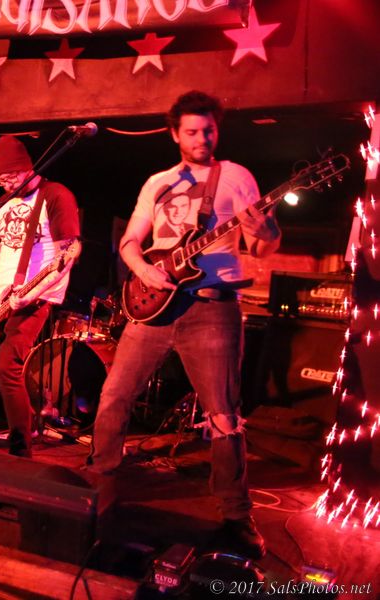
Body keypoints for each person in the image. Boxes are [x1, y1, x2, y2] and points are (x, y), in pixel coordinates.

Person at [86, 91, 281, 559]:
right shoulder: (157, 183)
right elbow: (131, 241)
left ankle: (236, 515)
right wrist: (142, 269)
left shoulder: (236, 177)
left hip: (213, 308)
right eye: (192, 131)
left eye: (208, 130)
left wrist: (266, 232)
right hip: (154, 307)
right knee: (114, 395)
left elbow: (261, 246)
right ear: (175, 134)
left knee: (224, 415)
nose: (201, 139)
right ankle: (97, 493)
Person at [0, 135, 82, 458]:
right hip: (3, 299)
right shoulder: (3, 204)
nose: (6, 184)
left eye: (10, 176)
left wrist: (30, 295)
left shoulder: (55, 195)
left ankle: (20, 447)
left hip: (36, 296)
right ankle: (23, 427)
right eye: (0, 180)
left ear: (25, 167)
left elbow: (68, 254)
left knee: (7, 365)